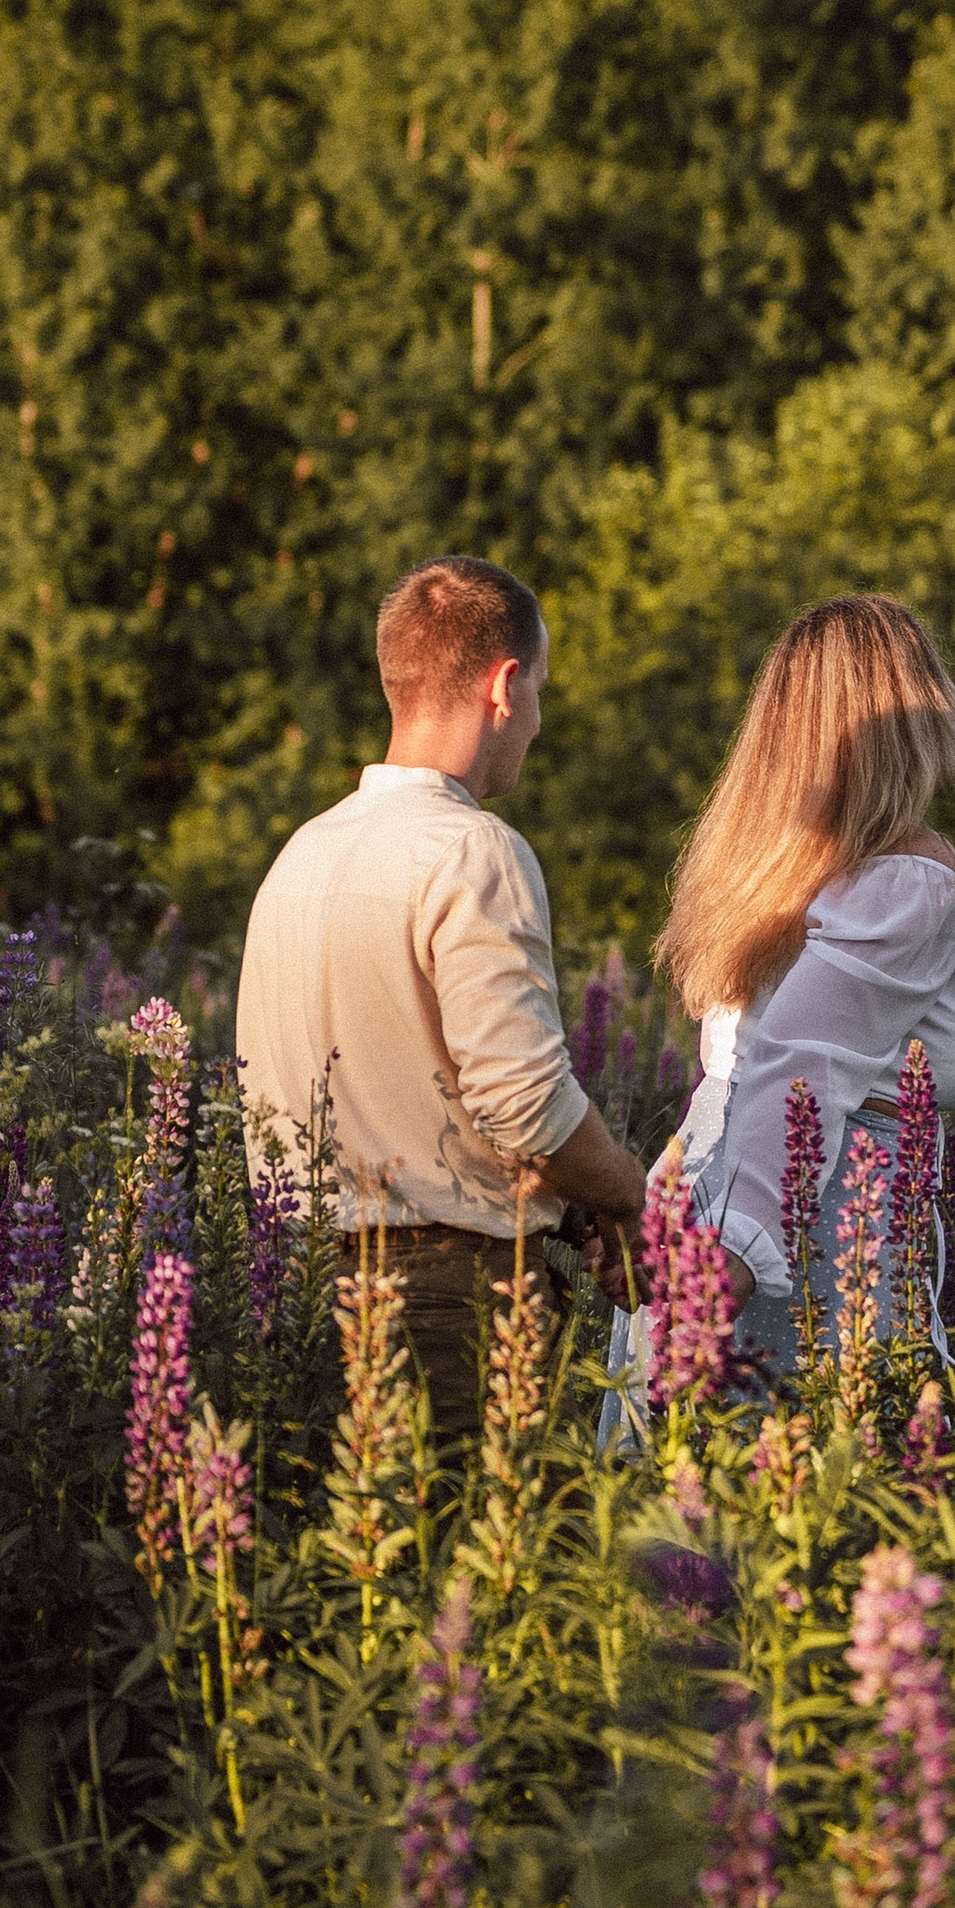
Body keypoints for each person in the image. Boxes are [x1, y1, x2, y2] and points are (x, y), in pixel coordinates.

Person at [236, 555, 647, 1435]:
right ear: (503, 686)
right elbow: (525, 1103)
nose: (537, 721)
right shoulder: (474, 851)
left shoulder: (299, 856)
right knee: (476, 1555)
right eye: (538, 687)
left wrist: (564, 1208)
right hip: (446, 1301)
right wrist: (625, 1196)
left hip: (296, 1289)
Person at [644, 593, 955, 1376]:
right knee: (813, 1471)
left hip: (701, 1171)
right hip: (814, 1209)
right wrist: (736, 1253)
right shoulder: (908, 875)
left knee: (682, 1475)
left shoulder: (762, 868)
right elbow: (802, 1063)